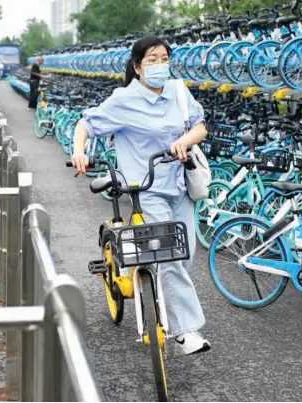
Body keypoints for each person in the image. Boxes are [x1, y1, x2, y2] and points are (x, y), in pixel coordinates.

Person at [70, 36, 211, 354]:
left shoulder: (177, 89)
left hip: (180, 186)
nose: (160, 65)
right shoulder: (123, 100)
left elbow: (200, 126)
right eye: (152, 60)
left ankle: (167, 304)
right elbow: (86, 125)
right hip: (146, 189)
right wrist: (79, 152)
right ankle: (185, 332)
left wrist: (185, 140)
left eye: (164, 58)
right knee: (169, 257)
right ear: (137, 67)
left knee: (185, 257)